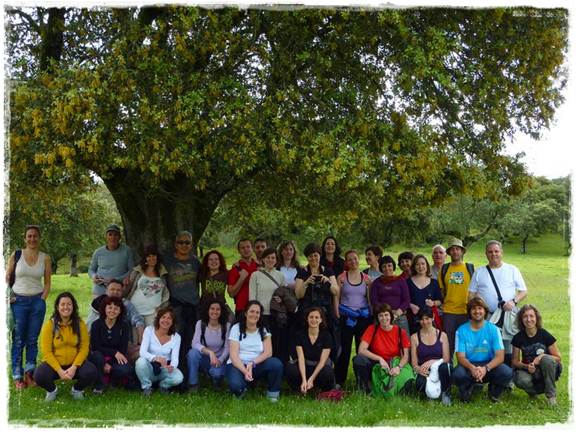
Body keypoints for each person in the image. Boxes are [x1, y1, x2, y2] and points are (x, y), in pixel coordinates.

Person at [6, 224, 51, 389]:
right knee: (18, 340)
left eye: (35, 236)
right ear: (25, 238)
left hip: (36, 303)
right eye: (29, 236)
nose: (32, 239)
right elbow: (7, 277)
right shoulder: (16, 255)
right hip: (18, 302)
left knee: (32, 340)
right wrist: (9, 296)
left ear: (39, 238)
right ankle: (17, 377)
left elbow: (47, 283)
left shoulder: (45, 258)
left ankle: (30, 374)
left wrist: (42, 300)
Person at [469, 240, 527, 360]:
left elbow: (523, 291)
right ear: (486, 254)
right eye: (490, 252)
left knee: (508, 348)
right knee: (487, 347)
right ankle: (488, 374)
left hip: (507, 316)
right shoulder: (479, 272)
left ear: (501, 252)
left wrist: (513, 301)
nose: (493, 254)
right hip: (487, 317)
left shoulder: (512, 269)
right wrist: (478, 307)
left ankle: (508, 375)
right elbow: (471, 294)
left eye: (496, 251)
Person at [34, 292, 98, 401]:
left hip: (75, 364)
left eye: (69, 304)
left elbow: (84, 348)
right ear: (57, 307)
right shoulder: (50, 325)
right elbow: (47, 352)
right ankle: (52, 391)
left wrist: (74, 367)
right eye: (62, 304)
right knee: (39, 375)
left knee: (91, 371)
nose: (66, 307)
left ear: (73, 306)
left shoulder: (80, 323)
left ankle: (77, 390)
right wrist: (59, 370)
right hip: (55, 364)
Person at [452, 297, 512, 403]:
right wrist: (472, 368)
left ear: (485, 311)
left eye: (480, 308)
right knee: (458, 374)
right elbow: (460, 357)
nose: (477, 311)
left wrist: (485, 369)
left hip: (488, 365)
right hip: (469, 365)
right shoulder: (461, 330)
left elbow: (500, 356)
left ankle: (494, 392)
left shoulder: (493, 329)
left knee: (507, 372)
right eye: (473, 309)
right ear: (469, 312)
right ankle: (466, 390)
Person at [163, 230, 201, 390]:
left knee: (190, 344)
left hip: (193, 308)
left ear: (191, 245)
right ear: (175, 244)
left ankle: (189, 379)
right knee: (174, 344)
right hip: (175, 308)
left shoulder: (196, 262)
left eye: (187, 243)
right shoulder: (167, 261)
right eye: (181, 242)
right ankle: (173, 379)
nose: (184, 245)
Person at [225, 300, 284, 402]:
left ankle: (273, 394)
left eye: (257, 312)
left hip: (256, 364)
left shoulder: (263, 329)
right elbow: (234, 356)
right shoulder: (236, 328)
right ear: (245, 313)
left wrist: (252, 363)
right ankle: (242, 389)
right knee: (236, 387)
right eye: (252, 311)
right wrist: (245, 371)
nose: (254, 314)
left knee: (276, 364)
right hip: (238, 365)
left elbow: (268, 352)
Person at [352, 303, 411, 394]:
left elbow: (406, 356)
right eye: (381, 316)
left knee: (406, 387)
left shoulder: (400, 331)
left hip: (393, 363)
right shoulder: (372, 329)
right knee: (358, 360)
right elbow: (361, 350)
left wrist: (398, 367)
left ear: (391, 316)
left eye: (386, 315)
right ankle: (364, 389)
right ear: (377, 318)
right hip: (376, 363)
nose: (384, 318)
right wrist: (380, 359)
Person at [295, 243, 340, 360]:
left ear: (320, 256)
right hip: (307, 313)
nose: (313, 258)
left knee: (325, 339)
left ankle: (326, 363)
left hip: (325, 313)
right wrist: (306, 283)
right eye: (310, 256)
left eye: (316, 255)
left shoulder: (328, 271)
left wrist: (327, 282)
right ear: (307, 258)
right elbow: (298, 295)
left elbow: (336, 291)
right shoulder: (302, 272)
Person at [335, 250, 372, 387]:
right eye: (350, 259)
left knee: (361, 349)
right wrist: (337, 314)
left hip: (363, 317)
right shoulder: (342, 278)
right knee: (344, 349)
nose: (353, 262)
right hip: (346, 317)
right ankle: (339, 380)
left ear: (359, 259)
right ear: (346, 262)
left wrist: (371, 315)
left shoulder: (366, 278)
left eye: (355, 259)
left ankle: (362, 380)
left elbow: (369, 300)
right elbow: (336, 298)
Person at [512, 305, 561, 406]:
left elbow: (558, 357)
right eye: (525, 316)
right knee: (520, 379)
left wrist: (542, 357)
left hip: (548, 368)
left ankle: (551, 396)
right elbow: (515, 361)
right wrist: (527, 367)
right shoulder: (517, 337)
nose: (529, 319)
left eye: (531, 316)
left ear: (536, 318)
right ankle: (533, 392)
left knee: (546, 359)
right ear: (521, 319)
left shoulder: (544, 334)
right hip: (530, 370)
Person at [86, 279, 145, 358]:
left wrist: (140, 343)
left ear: (122, 292)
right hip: (99, 342)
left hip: (119, 342)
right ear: (107, 291)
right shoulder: (97, 303)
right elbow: (90, 322)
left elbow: (138, 320)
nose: (115, 292)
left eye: (118, 290)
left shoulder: (126, 304)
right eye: (112, 289)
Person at [89, 296, 137, 393]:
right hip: (99, 356)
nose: (112, 311)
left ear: (120, 311)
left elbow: (122, 350)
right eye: (109, 307)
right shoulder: (96, 324)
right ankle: (99, 386)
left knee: (124, 369)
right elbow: (95, 347)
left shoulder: (124, 326)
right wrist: (114, 353)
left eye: (116, 308)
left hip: (116, 359)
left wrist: (110, 363)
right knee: (97, 357)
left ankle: (114, 382)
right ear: (104, 309)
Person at [438, 238, 475, 358]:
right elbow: (441, 290)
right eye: (452, 249)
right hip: (449, 312)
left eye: (457, 249)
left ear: (462, 251)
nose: (455, 252)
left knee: (467, 344)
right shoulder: (444, 269)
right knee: (448, 345)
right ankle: (448, 369)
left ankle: (466, 371)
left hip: (466, 312)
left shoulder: (470, 268)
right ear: (449, 253)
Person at [285, 307, 336, 394]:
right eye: (311, 317)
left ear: (321, 320)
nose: (314, 320)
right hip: (305, 366)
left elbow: (322, 362)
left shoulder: (326, 336)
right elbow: (300, 358)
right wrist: (304, 380)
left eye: (317, 317)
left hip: (319, 368)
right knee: (290, 369)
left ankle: (321, 390)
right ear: (307, 319)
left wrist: (311, 379)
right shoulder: (299, 335)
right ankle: (299, 388)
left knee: (327, 372)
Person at [135, 306, 184, 395]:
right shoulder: (149, 330)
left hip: (164, 369)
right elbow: (142, 352)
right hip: (149, 367)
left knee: (179, 377)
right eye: (163, 317)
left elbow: (175, 358)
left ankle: (163, 386)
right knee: (140, 362)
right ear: (158, 319)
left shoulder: (176, 337)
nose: (166, 320)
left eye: (169, 318)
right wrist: (155, 358)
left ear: (173, 322)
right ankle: (147, 387)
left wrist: (172, 366)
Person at [249, 248, 286, 359]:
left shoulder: (280, 275)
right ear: (263, 259)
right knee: (261, 344)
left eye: (273, 257)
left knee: (276, 342)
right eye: (268, 257)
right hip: (261, 315)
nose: (270, 260)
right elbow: (252, 298)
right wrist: (254, 315)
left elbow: (285, 294)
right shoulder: (255, 275)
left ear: (276, 260)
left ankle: (275, 368)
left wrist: (281, 299)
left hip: (276, 315)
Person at [410, 307, 452, 405]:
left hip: (440, 367)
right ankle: (428, 395)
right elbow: (414, 363)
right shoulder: (414, 337)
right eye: (422, 319)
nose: (424, 322)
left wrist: (432, 361)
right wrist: (419, 369)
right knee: (419, 384)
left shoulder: (442, 335)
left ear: (433, 317)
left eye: (427, 318)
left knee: (445, 367)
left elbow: (446, 358)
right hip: (425, 369)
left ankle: (445, 393)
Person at [186, 299, 231, 392]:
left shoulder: (226, 326)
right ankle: (193, 384)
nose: (215, 311)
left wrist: (220, 360)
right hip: (204, 358)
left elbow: (227, 348)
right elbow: (194, 343)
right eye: (212, 309)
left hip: (218, 359)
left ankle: (216, 380)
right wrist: (210, 352)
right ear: (207, 310)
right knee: (192, 353)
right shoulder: (200, 323)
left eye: (218, 309)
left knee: (217, 374)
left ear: (221, 311)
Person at [126, 244, 170, 326]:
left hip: (153, 313)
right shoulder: (137, 271)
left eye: (154, 255)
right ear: (145, 258)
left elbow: (166, 293)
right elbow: (129, 287)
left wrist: (162, 306)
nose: (151, 258)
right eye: (148, 256)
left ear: (157, 257)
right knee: (136, 338)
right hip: (135, 311)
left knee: (151, 337)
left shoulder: (162, 273)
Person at [88, 224, 135, 298]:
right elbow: (91, 270)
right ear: (106, 237)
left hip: (117, 289)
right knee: (98, 308)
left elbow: (132, 270)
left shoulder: (127, 250)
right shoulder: (98, 252)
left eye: (116, 235)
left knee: (115, 308)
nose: (113, 237)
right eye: (110, 235)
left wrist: (116, 279)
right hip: (100, 288)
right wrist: (94, 276)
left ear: (120, 237)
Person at [369, 255, 411, 335]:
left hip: (399, 317)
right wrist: (388, 312)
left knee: (404, 343)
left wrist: (397, 313)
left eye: (389, 265)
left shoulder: (401, 280)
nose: (387, 268)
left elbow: (406, 300)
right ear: (381, 268)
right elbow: (374, 300)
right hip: (382, 317)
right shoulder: (376, 283)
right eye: (384, 266)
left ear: (393, 266)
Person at [407, 254, 443, 333]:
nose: (420, 267)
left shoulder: (434, 282)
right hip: (413, 319)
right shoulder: (408, 282)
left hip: (429, 320)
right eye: (417, 264)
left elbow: (440, 300)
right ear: (414, 266)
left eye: (423, 264)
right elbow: (403, 299)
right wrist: (410, 305)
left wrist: (433, 303)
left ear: (427, 265)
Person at [198, 249, 233, 321]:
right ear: (207, 263)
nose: (214, 261)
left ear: (220, 262)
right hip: (205, 308)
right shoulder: (202, 274)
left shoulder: (226, 274)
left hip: (220, 307)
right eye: (211, 259)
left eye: (216, 259)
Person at [227, 238, 259, 315]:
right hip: (242, 308)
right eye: (243, 248)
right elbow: (231, 293)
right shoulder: (236, 268)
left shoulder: (259, 267)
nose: (246, 250)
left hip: (258, 307)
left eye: (248, 247)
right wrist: (241, 279)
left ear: (252, 249)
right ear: (239, 251)